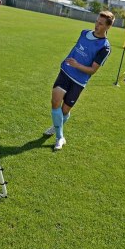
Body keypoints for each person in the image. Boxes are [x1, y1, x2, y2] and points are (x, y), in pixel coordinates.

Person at [43, 11, 115, 150]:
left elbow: (93, 70)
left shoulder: (105, 47)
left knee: (64, 111)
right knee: (55, 102)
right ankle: (60, 137)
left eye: (100, 24)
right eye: (96, 21)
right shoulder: (84, 33)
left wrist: (77, 65)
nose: (96, 25)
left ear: (108, 27)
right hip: (65, 72)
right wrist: (70, 63)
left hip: (79, 81)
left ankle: (57, 126)